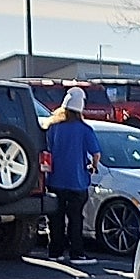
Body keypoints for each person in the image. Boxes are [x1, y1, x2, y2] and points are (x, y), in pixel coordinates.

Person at [44, 86, 101, 266]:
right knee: (76, 218)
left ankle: (55, 252)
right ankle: (77, 254)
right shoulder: (85, 129)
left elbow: (47, 151)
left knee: (56, 218)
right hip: (77, 182)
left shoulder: (53, 127)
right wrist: (93, 166)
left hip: (54, 180)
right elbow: (96, 154)